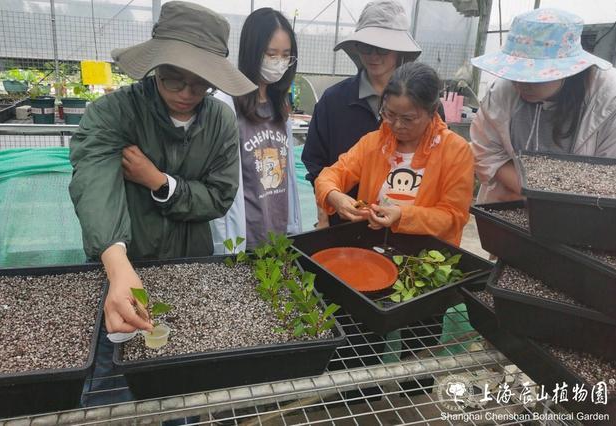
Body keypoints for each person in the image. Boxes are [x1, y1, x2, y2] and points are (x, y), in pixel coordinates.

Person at [69, 1, 256, 334]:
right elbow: (94, 184)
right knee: (121, 339)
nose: (187, 93)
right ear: (156, 67)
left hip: (190, 264)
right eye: (173, 80)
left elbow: (219, 197)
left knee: (188, 340)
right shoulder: (115, 112)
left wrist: (159, 182)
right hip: (125, 259)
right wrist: (117, 264)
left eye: (200, 84)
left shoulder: (220, 120)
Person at [470, 8, 616, 203]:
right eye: (514, 75)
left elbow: (611, 175)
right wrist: (530, 196)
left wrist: (553, 204)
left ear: (567, 71)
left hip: (582, 211)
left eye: (532, 78)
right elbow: (487, 151)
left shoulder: (613, 99)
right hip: (510, 199)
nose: (519, 84)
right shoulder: (502, 90)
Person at [314, 62, 474, 246]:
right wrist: (335, 196)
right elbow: (330, 175)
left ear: (432, 112)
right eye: (389, 114)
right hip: (373, 244)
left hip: (428, 256)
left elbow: (454, 216)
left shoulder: (455, 151)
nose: (397, 125)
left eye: (408, 119)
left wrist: (402, 215)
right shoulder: (374, 143)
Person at [301, 0, 423, 228]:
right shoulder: (333, 101)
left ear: (399, 51)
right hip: (344, 223)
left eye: (382, 48)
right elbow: (315, 163)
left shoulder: (422, 106)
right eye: (366, 46)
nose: (373, 55)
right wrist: (325, 212)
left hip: (404, 227)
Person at [211, 7, 302, 253]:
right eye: (271, 54)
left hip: (279, 234)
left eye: (286, 55)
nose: (279, 62)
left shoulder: (279, 105)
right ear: (252, 52)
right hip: (245, 237)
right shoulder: (226, 104)